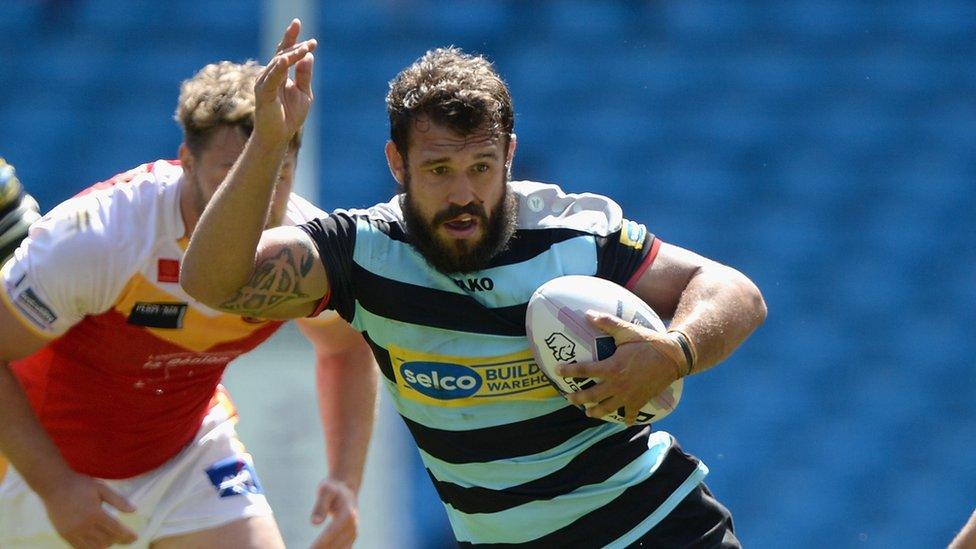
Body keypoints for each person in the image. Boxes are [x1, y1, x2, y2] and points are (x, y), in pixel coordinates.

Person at [182, 19, 767, 548]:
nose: (463, 194)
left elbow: (735, 292)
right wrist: (267, 143)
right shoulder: (363, 254)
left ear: (509, 156)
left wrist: (676, 351)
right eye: (439, 170)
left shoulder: (573, 235)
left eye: (481, 168)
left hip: (656, 527)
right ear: (397, 164)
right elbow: (212, 283)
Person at [0, 42, 377, 549]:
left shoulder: (300, 245)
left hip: (187, 458)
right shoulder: (102, 235)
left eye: (275, 173)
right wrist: (56, 488)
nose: (258, 200)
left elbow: (346, 346)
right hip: (37, 470)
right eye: (231, 176)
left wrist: (346, 480)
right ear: (185, 162)